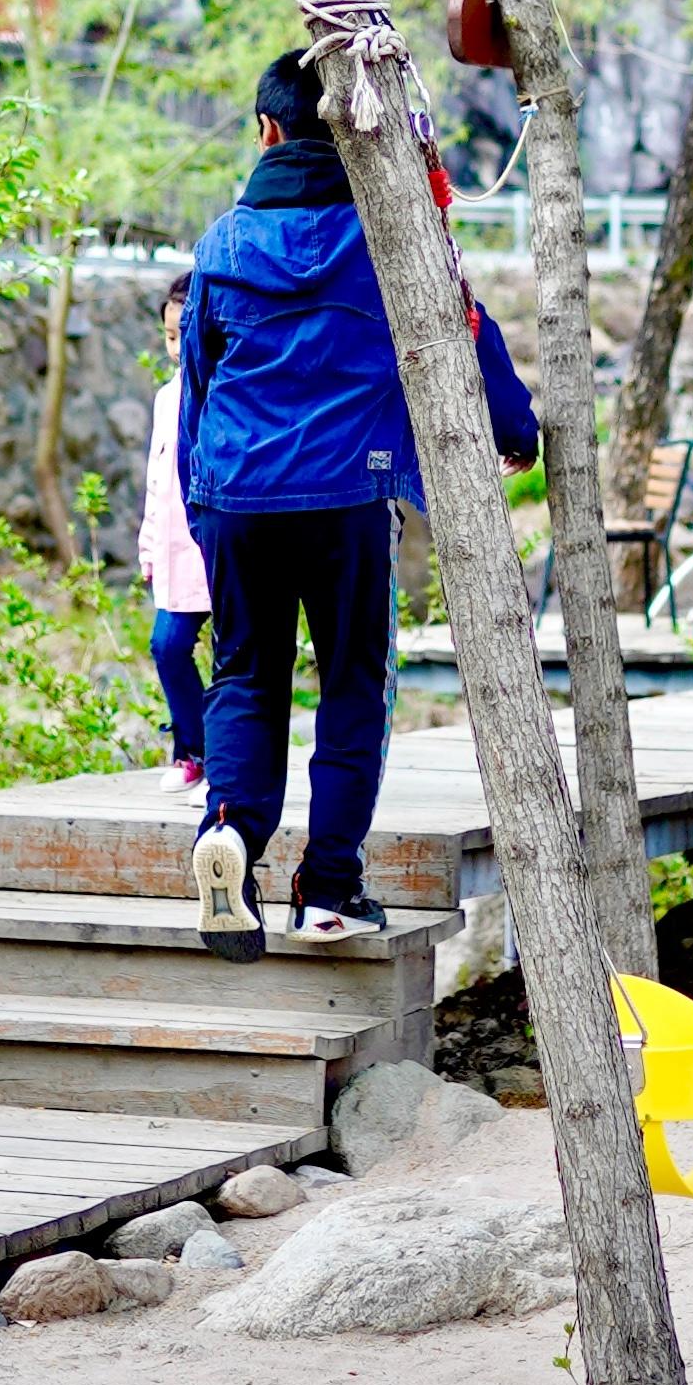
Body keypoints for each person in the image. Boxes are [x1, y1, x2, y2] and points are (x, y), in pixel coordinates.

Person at [179, 50, 539, 960]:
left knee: (247, 677)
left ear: (268, 131)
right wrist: (515, 425)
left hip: (238, 497)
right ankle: (330, 883)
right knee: (351, 686)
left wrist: (200, 504)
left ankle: (229, 829)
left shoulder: (219, 247)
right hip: (348, 490)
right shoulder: (391, 237)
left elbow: (198, 383)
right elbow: (464, 321)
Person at [137, 271, 211, 784]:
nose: (177, 346)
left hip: (221, 551)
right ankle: (194, 752)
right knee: (167, 645)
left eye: (184, 332)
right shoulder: (167, 398)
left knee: (235, 663)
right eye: (169, 336)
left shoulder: (226, 392)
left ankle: (223, 767)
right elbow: (155, 483)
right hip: (175, 556)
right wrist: (148, 551)